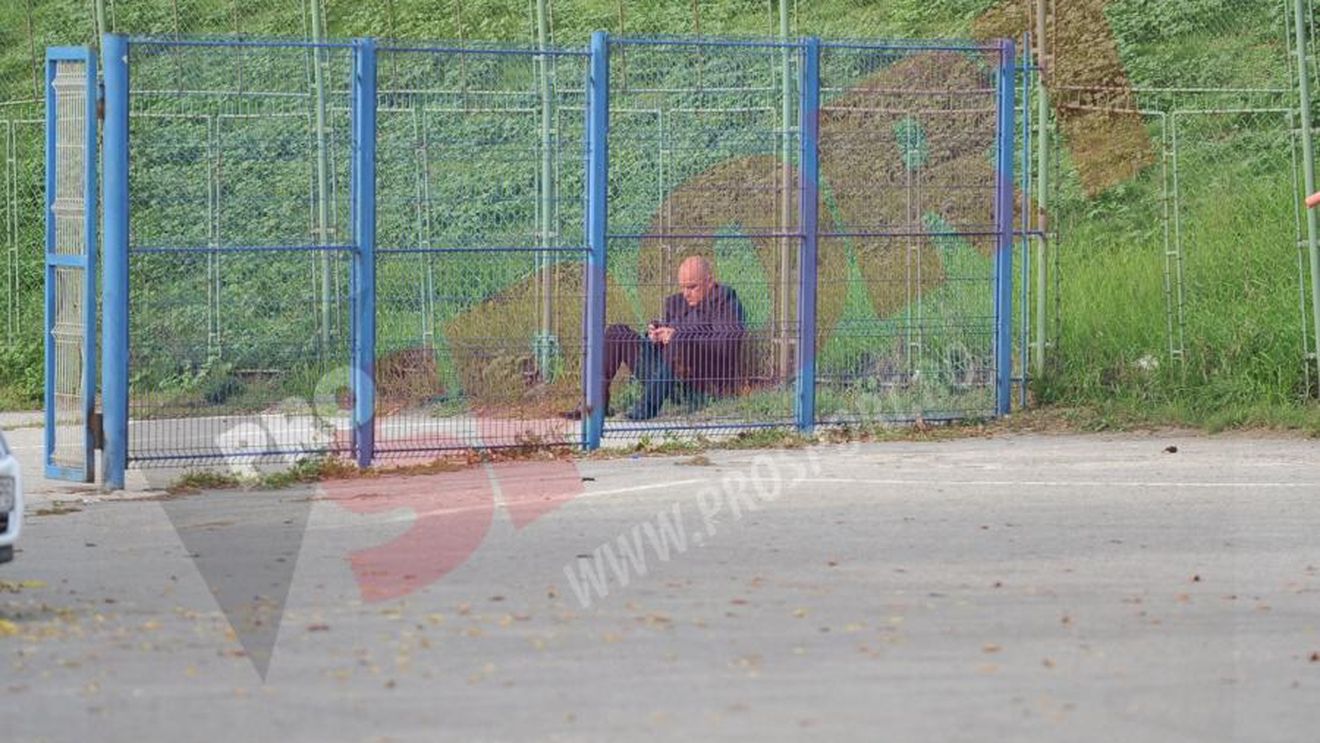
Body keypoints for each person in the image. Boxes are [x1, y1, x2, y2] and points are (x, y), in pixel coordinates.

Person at [572, 256, 747, 421]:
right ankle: (595, 404)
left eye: (692, 287)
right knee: (617, 333)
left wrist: (678, 337)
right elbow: (667, 344)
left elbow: (726, 347)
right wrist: (655, 334)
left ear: (709, 282)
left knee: (678, 341)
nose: (686, 294)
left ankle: (646, 408)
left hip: (701, 383)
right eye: (683, 287)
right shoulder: (676, 303)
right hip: (665, 378)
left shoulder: (726, 302)